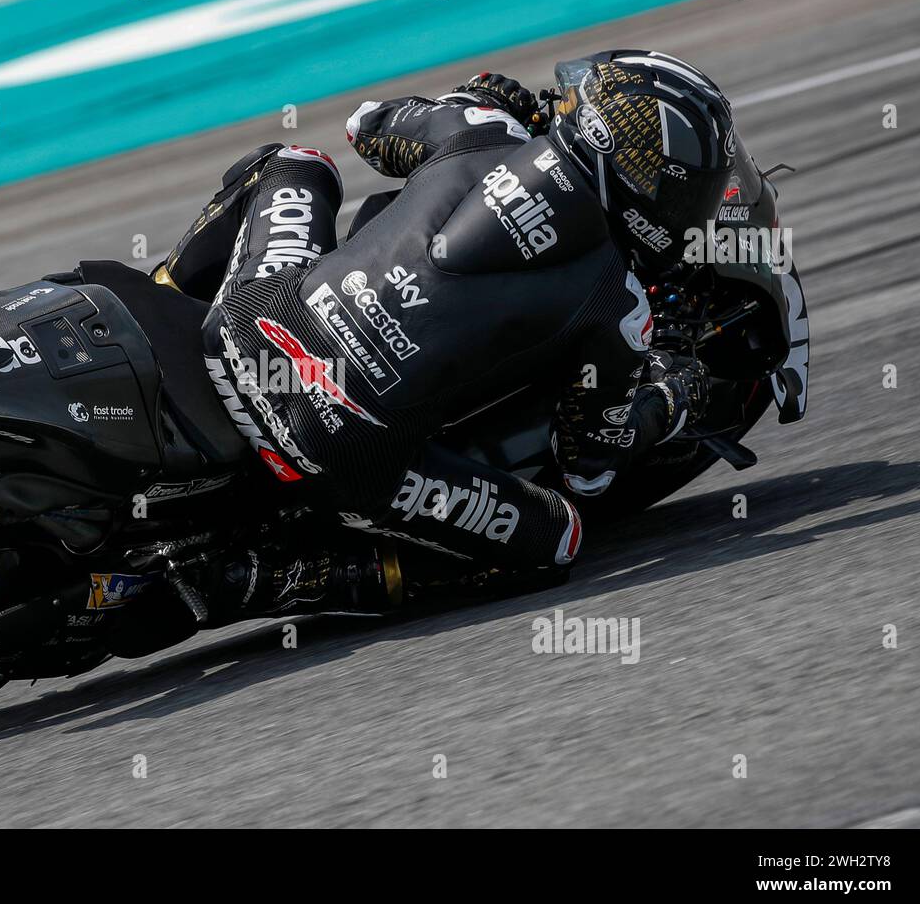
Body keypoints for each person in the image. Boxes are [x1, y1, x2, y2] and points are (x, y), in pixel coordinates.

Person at [152, 50, 730, 610]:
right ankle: (276, 577)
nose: (686, 206)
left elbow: (366, 125)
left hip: (248, 328)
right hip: (342, 445)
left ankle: (158, 302)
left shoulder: (482, 128)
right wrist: (669, 396)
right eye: (682, 189)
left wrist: (476, 96)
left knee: (295, 162)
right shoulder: (622, 306)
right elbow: (590, 470)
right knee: (557, 538)